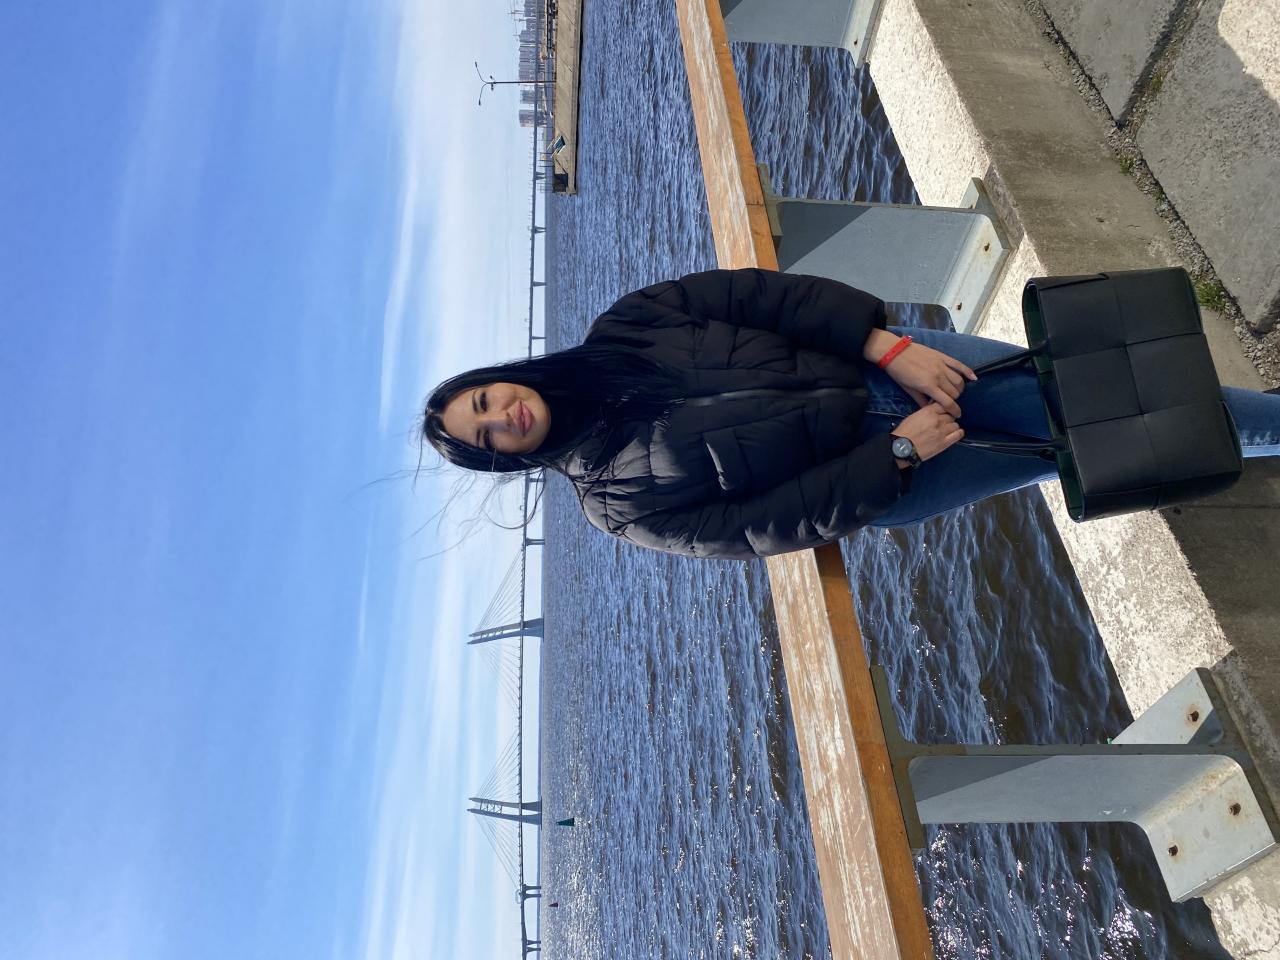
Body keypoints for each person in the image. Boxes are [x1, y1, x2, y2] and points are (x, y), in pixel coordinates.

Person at [422, 269, 1280, 560]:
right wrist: (900, 455)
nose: (503, 419)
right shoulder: (618, 507)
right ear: (505, 459)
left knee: (1083, 391)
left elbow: (766, 297)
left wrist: (885, 343)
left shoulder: (627, 325)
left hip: (883, 363)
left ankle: (1267, 424)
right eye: (487, 437)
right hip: (891, 469)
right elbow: (771, 525)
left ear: (501, 379)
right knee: (1075, 444)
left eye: (485, 401)